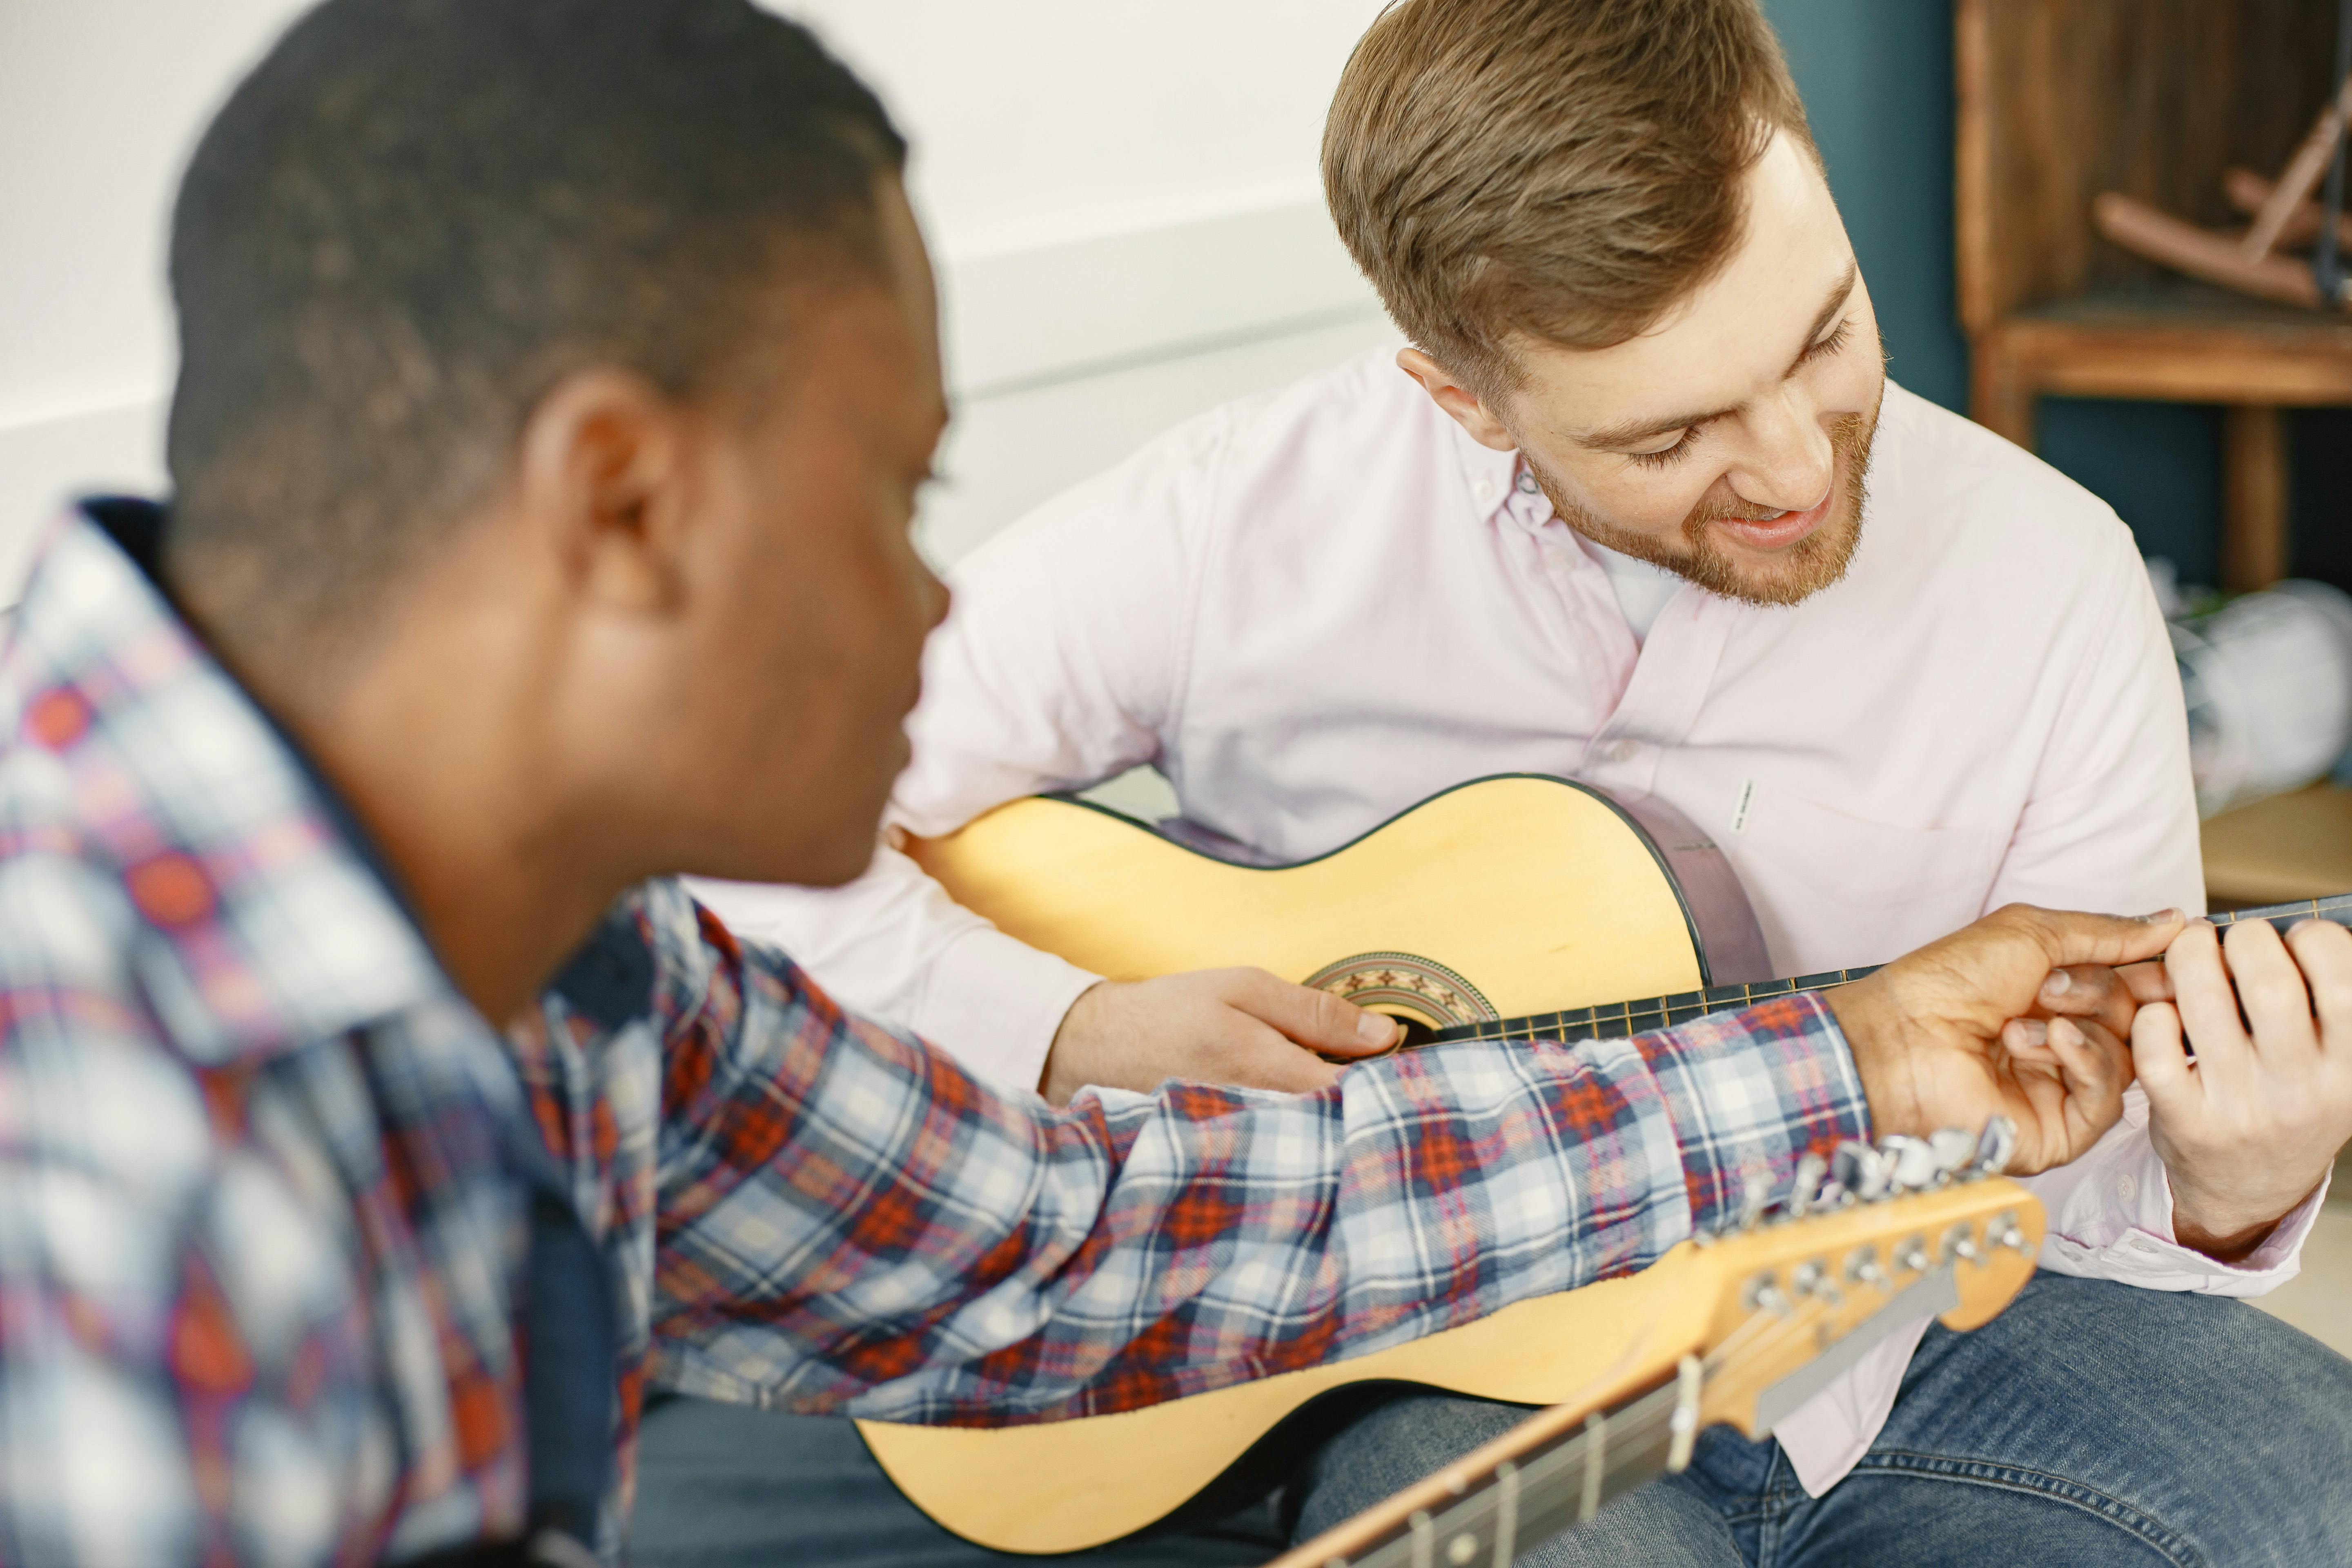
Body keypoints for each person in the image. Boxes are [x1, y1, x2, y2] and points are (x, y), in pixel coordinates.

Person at [685, 0, 2352, 1561]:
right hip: (1426, 1350)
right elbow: (736, 826)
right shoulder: (1232, 525)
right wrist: (1058, 1024)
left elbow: (2097, 1189)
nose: (1793, 462)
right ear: (1462, 397)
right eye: (1668, 436)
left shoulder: (2054, 580)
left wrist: (2234, 1181)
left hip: (1893, 1328)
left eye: (1826, 332)